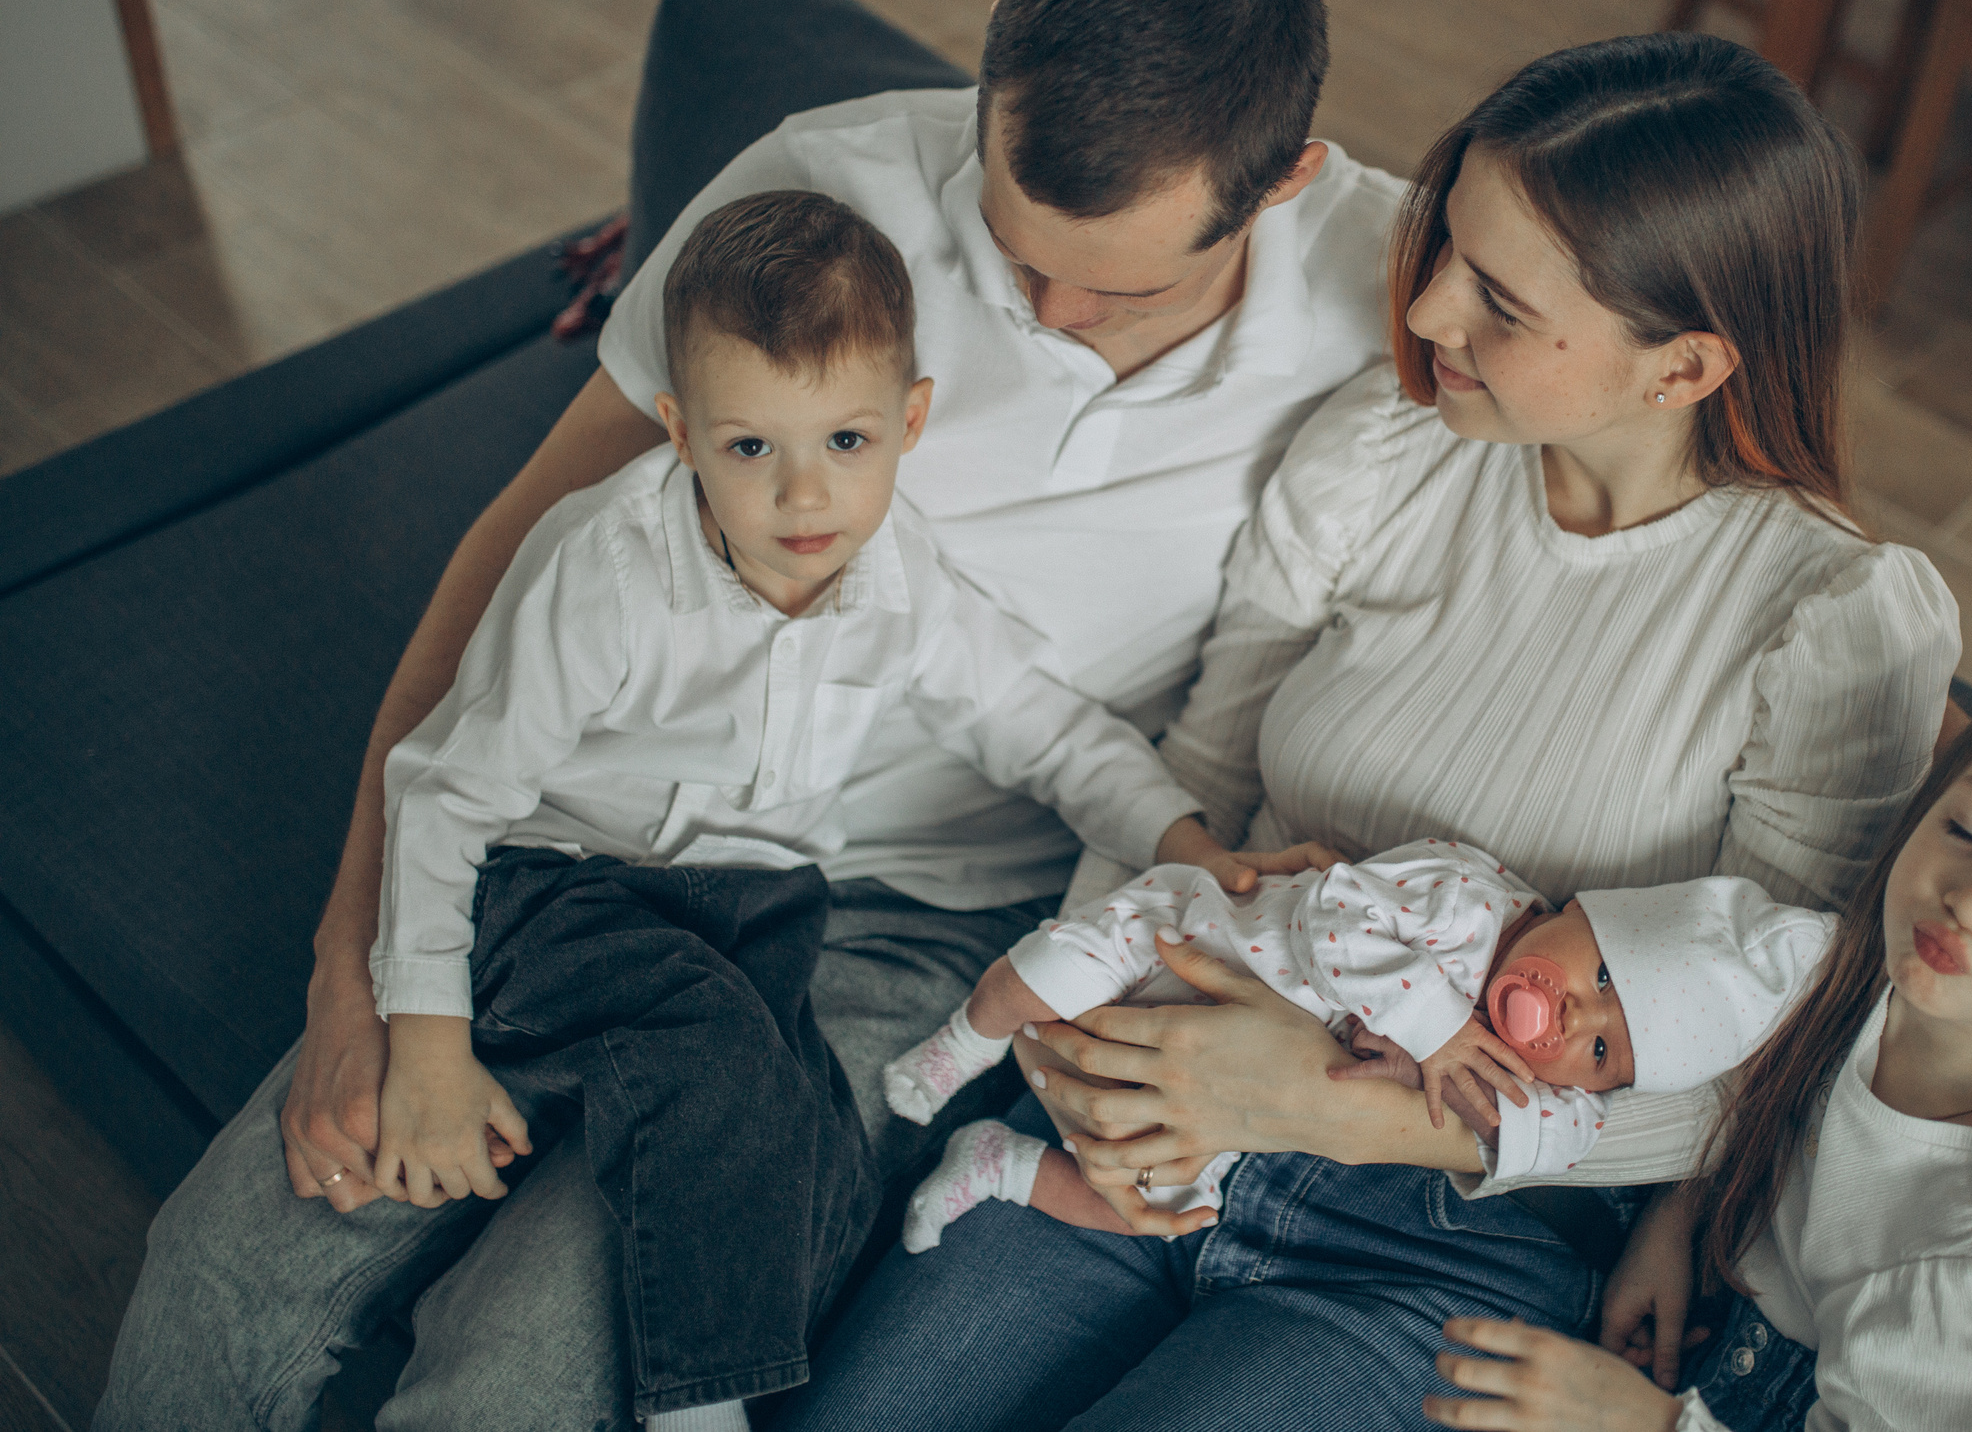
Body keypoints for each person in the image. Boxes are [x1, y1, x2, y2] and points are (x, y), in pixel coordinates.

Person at [96, 0, 1396, 1432]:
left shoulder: (1395, 293)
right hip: (590, 846)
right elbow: (526, 544)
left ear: (1285, 184)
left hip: (907, 923)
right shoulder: (822, 195)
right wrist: (354, 966)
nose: (1049, 313)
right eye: (1010, 245)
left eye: (1120, 287)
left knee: (536, 1356)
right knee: (228, 1258)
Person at [778, 32, 1964, 1432]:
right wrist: (1070, 1030)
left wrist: (1335, 1107)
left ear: (1682, 366)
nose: (1430, 309)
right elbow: (1202, 780)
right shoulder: (1391, 446)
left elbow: (1766, 1067)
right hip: (1158, 1082)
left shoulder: (1834, 622)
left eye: (1500, 301)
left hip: (1446, 1236)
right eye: (1446, 244)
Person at [368, 188, 1300, 1428]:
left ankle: (749, 1303)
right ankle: (698, 1410)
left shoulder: (898, 574)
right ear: (681, 432)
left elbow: (1036, 722)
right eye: (752, 449)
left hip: (757, 910)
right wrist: (426, 1038)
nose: (805, 499)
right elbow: (446, 791)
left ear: (909, 421)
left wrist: (1178, 836)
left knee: (814, 1145)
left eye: (846, 442)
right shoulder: (604, 572)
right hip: (559, 884)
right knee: (708, 1043)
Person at [1417, 647, 1972, 1432]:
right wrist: (1679, 1215)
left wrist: (1643, 1422)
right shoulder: (1898, 981)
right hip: (1714, 1305)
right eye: (1967, 831)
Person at [888, 841, 1831, 1250]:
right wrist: (1436, 1030)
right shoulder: (1469, 899)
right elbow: (1337, 910)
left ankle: (1001, 1165)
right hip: (1179, 941)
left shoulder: (1521, 1067)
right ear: (1578, 908)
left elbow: (1566, 1134)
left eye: (1598, 1053)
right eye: (1605, 975)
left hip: (1226, 1099)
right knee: (1049, 972)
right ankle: (962, 1044)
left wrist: (1508, 1106)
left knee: (1163, 1203)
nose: (1571, 1016)